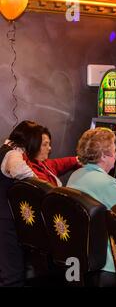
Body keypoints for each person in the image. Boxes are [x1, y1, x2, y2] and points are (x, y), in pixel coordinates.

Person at [67, 128, 116, 283]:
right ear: (104, 156)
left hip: (82, 255)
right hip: (109, 263)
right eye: (114, 150)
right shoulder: (109, 184)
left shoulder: (75, 175)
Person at [0, 121, 37, 286]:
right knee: (13, 275)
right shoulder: (13, 154)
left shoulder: (4, 148)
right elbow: (21, 172)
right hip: (5, 220)